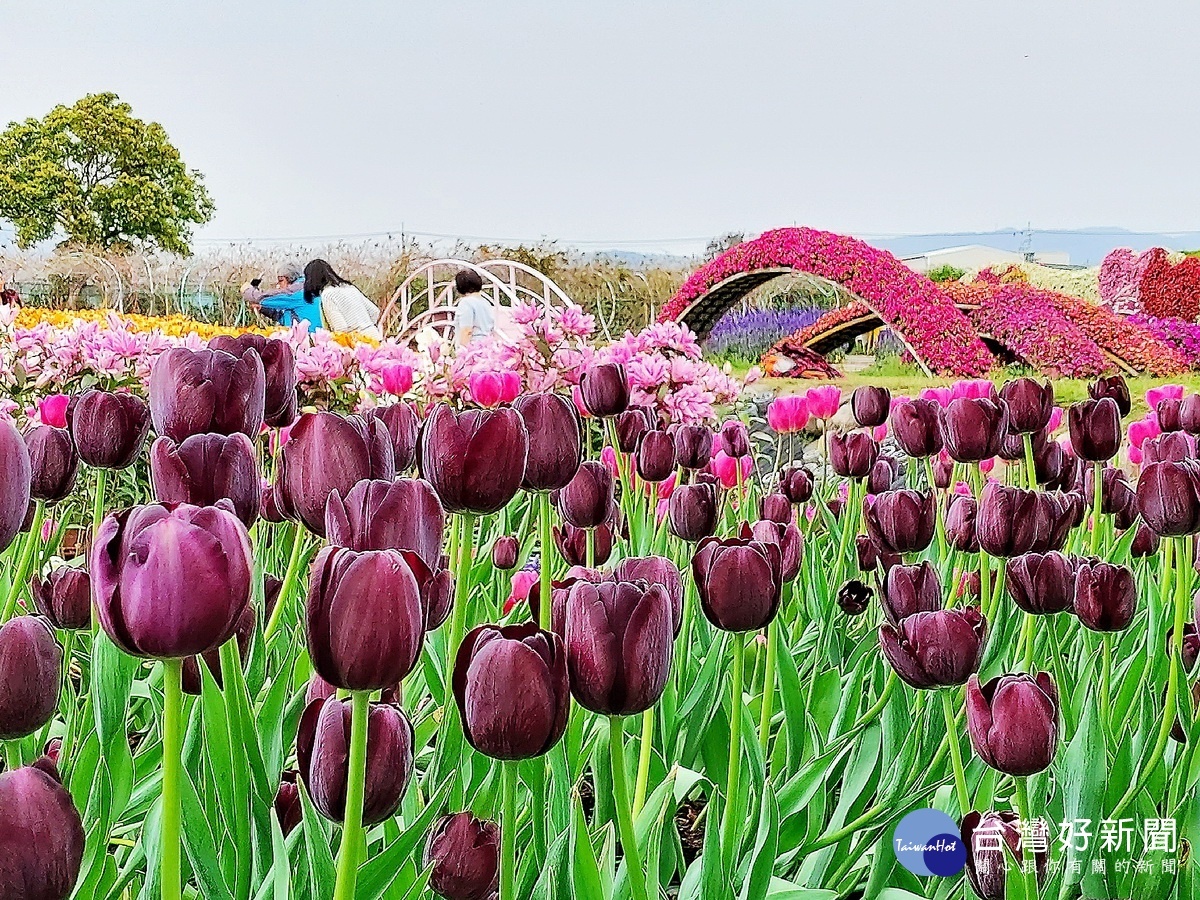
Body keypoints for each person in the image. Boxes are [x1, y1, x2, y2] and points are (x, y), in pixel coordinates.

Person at [304, 259, 383, 340]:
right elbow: (374, 311)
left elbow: (340, 329)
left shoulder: (328, 294)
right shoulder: (349, 287)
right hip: (375, 336)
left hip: (357, 343)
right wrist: (366, 326)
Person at [241, 263, 322, 331]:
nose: (279, 285)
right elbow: (286, 318)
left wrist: (247, 290)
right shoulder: (305, 288)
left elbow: (260, 298)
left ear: (290, 278)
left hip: (306, 340)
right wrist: (262, 309)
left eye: (281, 280)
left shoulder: (295, 292)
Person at [453, 269, 496, 346]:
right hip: (488, 346)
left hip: (474, 348)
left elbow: (467, 330)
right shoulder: (486, 302)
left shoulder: (466, 303)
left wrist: (463, 351)